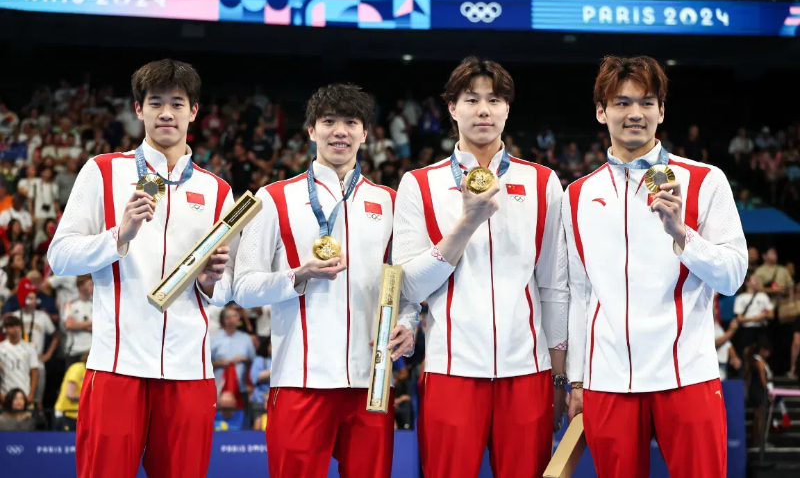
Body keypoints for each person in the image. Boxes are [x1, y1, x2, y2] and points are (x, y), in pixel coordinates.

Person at [47, 59, 237, 478]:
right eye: (155, 103)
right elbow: (59, 257)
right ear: (138, 110)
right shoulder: (103, 171)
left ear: (194, 111)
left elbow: (226, 290)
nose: (166, 112)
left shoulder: (217, 189)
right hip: (117, 367)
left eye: (177, 103)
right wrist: (119, 235)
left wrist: (211, 282)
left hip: (190, 372)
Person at [564, 55, 747, 478]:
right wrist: (576, 381)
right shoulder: (576, 195)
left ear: (661, 111)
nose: (635, 114)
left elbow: (733, 276)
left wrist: (682, 234)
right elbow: (578, 294)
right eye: (622, 103)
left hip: (687, 374)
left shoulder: (705, 179)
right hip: (608, 381)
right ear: (601, 111)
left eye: (647, 103)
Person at [392, 56, 569, 478]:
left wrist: (561, 378)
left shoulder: (544, 182)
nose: (484, 109)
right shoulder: (419, 183)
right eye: (471, 99)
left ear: (508, 108)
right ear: (452, 108)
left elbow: (554, 287)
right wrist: (466, 223)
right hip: (451, 369)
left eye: (494, 99)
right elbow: (411, 286)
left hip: (528, 371)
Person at [233, 83, 419, 478]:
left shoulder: (390, 201)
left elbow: (405, 285)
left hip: (371, 380)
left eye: (351, 122)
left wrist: (408, 322)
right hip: (300, 379)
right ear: (311, 130)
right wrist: (296, 276)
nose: (340, 131)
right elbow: (243, 287)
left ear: (365, 133)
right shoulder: (272, 198)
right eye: (329, 121)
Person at [8, 278, 58, 404]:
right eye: (30, 297)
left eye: (35, 297)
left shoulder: (43, 316)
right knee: (16, 399)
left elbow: (56, 336)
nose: (34, 301)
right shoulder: (13, 317)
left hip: (37, 363)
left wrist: (48, 355)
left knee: (37, 401)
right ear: (23, 298)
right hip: (16, 363)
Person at [0, 315, 39, 406]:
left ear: (21, 328)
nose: (15, 329)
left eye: (17, 326)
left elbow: (34, 372)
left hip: (25, 394)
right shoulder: (1, 348)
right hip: (5, 393)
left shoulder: (29, 347)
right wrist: (1, 395)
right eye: (11, 326)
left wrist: (31, 394)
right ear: (6, 329)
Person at [733, 274, 774, 353]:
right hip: (747, 331)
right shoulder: (740, 298)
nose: (757, 282)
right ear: (747, 282)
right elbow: (739, 318)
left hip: (761, 330)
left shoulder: (763, 296)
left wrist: (765, 316)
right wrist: (755, 318)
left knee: (762, 353)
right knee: (747, 353)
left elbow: (771, 314)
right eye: (754, 280)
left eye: (758, 280)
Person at [61, 274, 93, 369]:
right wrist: (91, 323)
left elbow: (100, 327)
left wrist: (78, 324)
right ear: (81, 286)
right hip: (74, 350)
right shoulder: (71, 304)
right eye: (90, 284)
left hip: (91, 350)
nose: (93, 287)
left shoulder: (96, 304)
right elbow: (69, 325)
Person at [54, 350, 89, 431]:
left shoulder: (90, 373)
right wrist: (92, 399)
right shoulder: (78, 367)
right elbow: (70, 394)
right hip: (66, 414)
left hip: (78, 416)